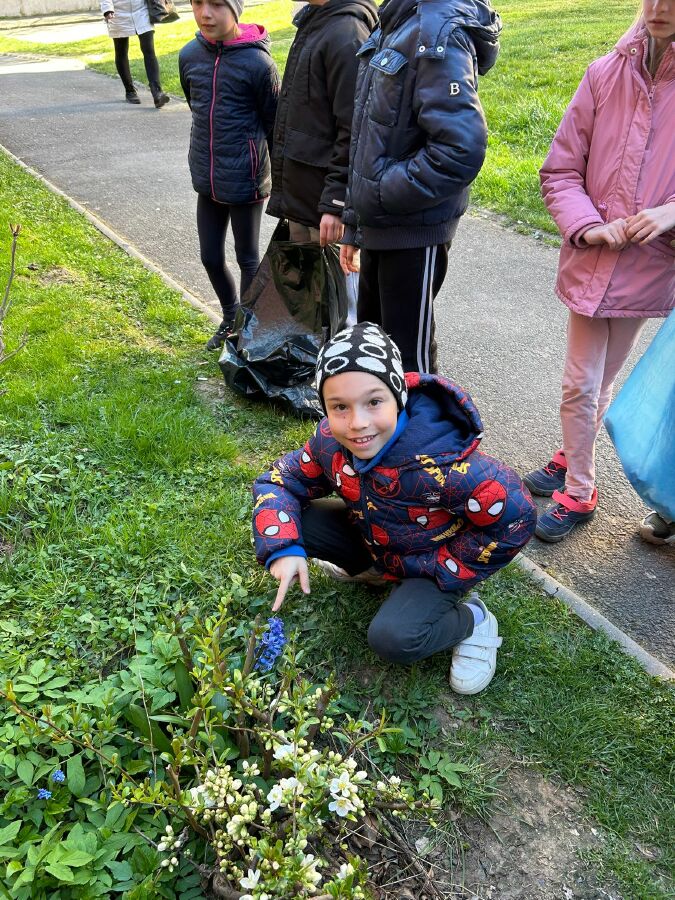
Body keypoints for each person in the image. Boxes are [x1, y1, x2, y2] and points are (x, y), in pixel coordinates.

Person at [252, 323, 536, 695]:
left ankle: (474, 620)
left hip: (427, 564)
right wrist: (283, 548)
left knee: (394, 639)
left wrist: (445, 565)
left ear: (398, 394)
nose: (357, 423)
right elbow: (280, 480)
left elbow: (517, 517)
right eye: (339, 406)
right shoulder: (328, 441)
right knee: (292, 522)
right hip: (376, 540)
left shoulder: (447, 466)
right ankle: (373, 571)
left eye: (373, 402)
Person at [523, 0, 675, 543]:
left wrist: (670, 213)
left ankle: (572, 458)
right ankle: (580, 487)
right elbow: (560, 168)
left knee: (598, 381)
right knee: (581, 384)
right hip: (593, 260)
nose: (659, 7)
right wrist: (588, 226)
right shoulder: (604, 74)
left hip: (649, 266)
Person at [339, 0, 501, 373]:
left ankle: (422, 416)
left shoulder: (438, 29)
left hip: (412, 227)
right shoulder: (396, 20)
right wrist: (354, 221)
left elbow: (460, 149)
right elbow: (367, 136)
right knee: (374, 351)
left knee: (409, 364)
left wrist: (381, 191)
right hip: (378, 222)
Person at [179, 0, 279, 350]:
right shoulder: (189, 55)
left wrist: (282, 183)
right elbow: (196, 106)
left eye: (217, 4)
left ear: (235, 9)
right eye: (197, 3)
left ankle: (247, 333)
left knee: (248, 258)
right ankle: (229, 317)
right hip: (207, 177)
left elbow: (274, 126)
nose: (205, 13)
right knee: (209, 256)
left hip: (245, 178)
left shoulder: (259, 64)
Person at [265, 0, 377, 249]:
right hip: (303, 203)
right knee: (302, 274)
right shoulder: (317, 21)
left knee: (336, 275)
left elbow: (356, 128)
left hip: (326, 214)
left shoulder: (347, 32)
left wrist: (337, 202)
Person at [100, 0, 170, 107]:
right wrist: (107, 9)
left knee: (149, 50)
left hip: (141, 11)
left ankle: (157, 92)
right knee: (121, 51)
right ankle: (130, 91)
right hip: (117, 14)